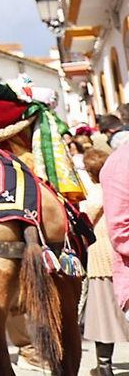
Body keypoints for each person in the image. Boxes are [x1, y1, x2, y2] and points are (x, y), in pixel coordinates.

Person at [81, 147, 129, 376]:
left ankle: (104, 365)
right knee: (108, 315)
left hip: (101, 257)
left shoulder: (97, 192)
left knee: (104, 317)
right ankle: (104, 365)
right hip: (110, 257)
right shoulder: (117, 172)